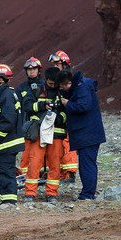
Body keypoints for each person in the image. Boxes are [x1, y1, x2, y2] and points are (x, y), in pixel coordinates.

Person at [58, 69, 106, 200]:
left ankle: (87, 194)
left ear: (69, 83)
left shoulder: (82, 87)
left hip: (88, 134)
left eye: (63, 86)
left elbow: (84, 106)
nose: (63, 88)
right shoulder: (79, 86)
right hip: (87, 134)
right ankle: (87, 192)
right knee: (87, 164)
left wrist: (68, 104)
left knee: (87, 164)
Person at [21, 67, 66, 204]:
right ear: (45, 80)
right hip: (39, 132)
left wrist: (60, 118)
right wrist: (42, 106)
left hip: (56, 133)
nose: (53, 86)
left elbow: (67, 111)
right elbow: (27, 105)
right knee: (34, 162)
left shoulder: (62, 92)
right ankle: (30, 193)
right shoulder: (36, 89)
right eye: (51, 83)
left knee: (55, 164)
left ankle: (51, 193)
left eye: (55, 84)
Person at [0, 63, 24, 208]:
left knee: (5, 170)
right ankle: (7, 199)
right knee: (2, 169)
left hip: (7, 142)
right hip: (5, 142)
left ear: (0, 80)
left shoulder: (6, 95)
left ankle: (9, 201)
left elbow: (8, 120)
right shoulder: (4, 94)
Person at [49, 50, 78, 181]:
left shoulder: (69, 79)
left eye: (57, 64)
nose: (54, 66)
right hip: (60, 116)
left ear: (63, 64)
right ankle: (61, 172)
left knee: (68, 144)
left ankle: (70, 172)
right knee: (59, 145)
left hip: (69, 117)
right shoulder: (57, 78)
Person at [16, 57, 44, 176]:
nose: (31, 71)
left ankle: (41, 172)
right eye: (29, 69)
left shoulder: (45, 85)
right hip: (27, 124)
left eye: (34, 69)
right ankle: (24, 175)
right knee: (26, 151)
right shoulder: (22, 87)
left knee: (41, 150)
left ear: (39, 70)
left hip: (43, 123)